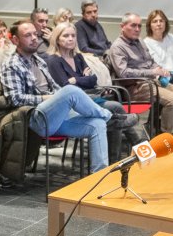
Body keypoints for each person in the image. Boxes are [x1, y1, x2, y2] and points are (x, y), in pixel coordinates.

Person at [1, 21, 112, 172]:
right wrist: (46, 98)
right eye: (28, 35)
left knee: (97, 124)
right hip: (35, 117)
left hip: (56, 115)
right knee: (70, 90)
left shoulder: (39, 61)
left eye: (35, 34)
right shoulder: (12, 65)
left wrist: (59, 97)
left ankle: (100, 176)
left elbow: (55, 87)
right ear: (15, 40)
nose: (34, 38)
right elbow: (14, 99)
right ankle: (110, 116)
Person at [47, 21, 144, 161]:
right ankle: (135, 146)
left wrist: (76, 79)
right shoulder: (54, 60)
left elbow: (93, 79)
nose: (70, 39)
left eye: (73, 36)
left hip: (90, 97)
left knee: (115, 109)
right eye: (66, 36)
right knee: (116, 107)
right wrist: (82, 78)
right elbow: (65, 86)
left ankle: (121, 155)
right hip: (73, 104)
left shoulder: (78, 57)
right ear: (57, 39)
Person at [107, 13, 173, 135]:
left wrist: (160, 69)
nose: (137, 29)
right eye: (133, 25)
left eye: (139, 26)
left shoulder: (139, 41)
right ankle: (166, 135)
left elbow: (150, 62)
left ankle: (158, 125)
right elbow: (123, 73)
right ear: (122, 26)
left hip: (153, 82)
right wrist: (151, 72)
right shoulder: (118, 47)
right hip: (135, 87)